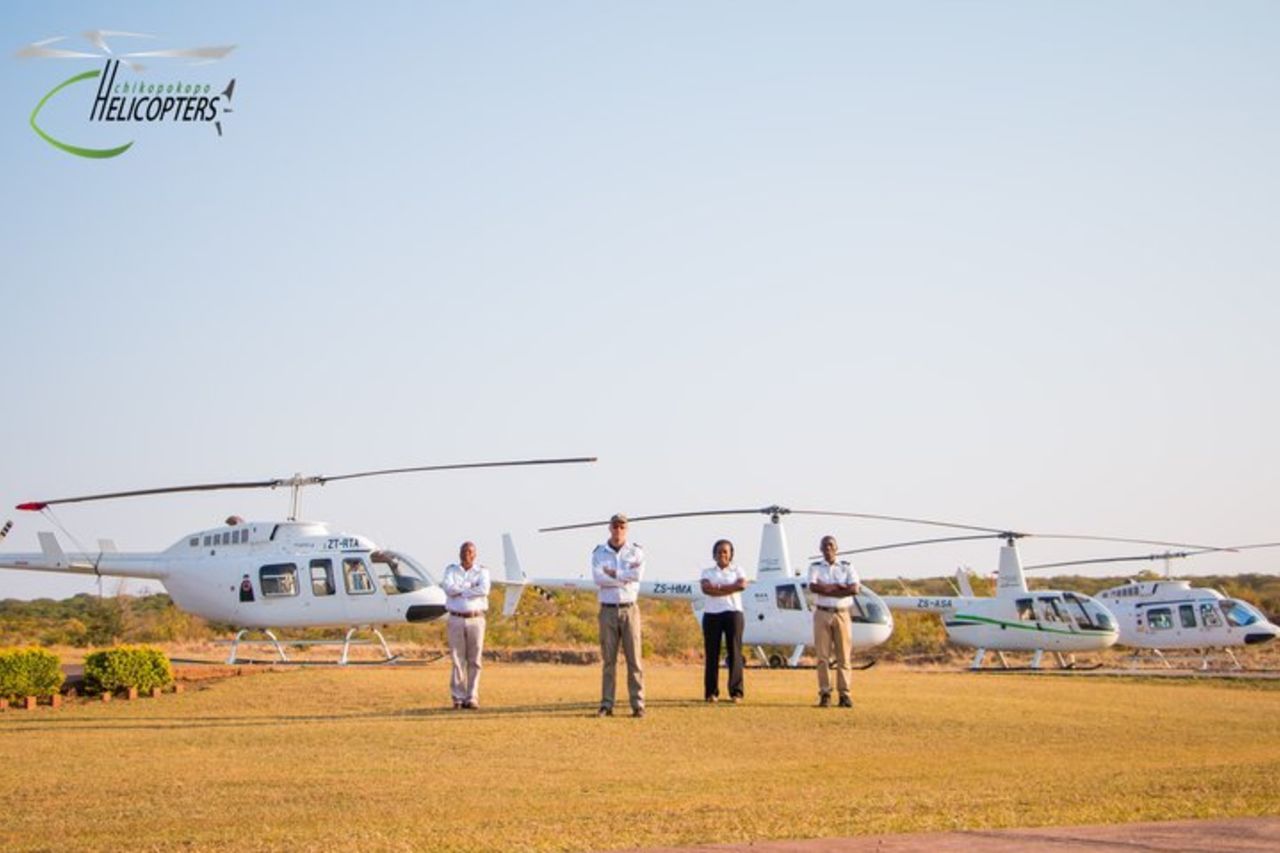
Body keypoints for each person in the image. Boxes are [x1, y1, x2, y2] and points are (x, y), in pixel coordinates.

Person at [592, 513, 645, 718]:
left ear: (627, 529)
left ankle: (638, 704)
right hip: (607, 610)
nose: (618, 530)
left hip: (629, 609)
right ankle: (606, 704)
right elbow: (598, 578)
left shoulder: (636, 551)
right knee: (608, 661)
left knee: (635, 660)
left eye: (622, 526)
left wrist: (613, 574)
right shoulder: (599, 552)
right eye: (615, 526)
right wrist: (624, 577)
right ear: (610, 528)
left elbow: (637, 575)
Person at [807, 535, 860, 708]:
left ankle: (845, 694)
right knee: (822, 657)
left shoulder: (847, 567)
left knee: (844, 656)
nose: (828, 548)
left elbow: (854, 589)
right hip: (822, 613)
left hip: (842, 614)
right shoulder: (815, 567)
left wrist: (827, 589)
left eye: (831, 545)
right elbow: (813, 587)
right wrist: (839, 587)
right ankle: (825, 693)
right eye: (825, 546)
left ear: (836, 548)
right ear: (820, 549)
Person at [441, 541, 491, 710]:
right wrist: (470, 589)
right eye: (464, 551)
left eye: (470, 552)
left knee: (475, 660)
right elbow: (448, 588)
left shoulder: (482, 571)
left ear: (475, 554)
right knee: (457, 659)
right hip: (456, 618)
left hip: (476, 619)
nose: (466, 554)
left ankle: (472, 697)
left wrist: (461, 591)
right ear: (459, 553)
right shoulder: (451, 570)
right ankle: (458, 697)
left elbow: (484, 590)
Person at [700, 538, 746, 703]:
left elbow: (741, 586)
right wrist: (729, 588)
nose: (722, 555)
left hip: (733, 613)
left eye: (725, 552)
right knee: (712, 654)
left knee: (735, 653)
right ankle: (711, 693)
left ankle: (736, 693)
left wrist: (718, 588)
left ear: (731, 554)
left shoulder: (738, 570)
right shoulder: (707, 572)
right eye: (719, 552)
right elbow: (706, 589)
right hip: (712, 614)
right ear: (714, 555)